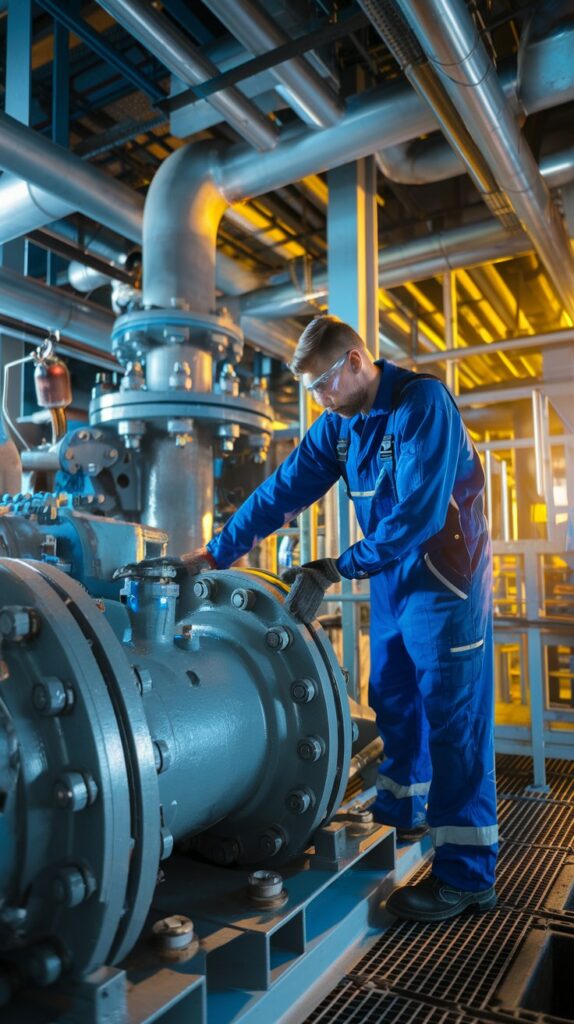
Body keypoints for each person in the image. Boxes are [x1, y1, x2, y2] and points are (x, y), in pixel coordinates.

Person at [167, 315, 498, 922]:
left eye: (323, 384)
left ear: (354, 361)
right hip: (396, 580)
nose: (319, 400)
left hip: (447, 583)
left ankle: (467, 876)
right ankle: (405, 810)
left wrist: (336, 567)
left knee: (454, 719)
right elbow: (279, 493)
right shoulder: (341, 429)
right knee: (393, 694)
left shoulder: (423, 405)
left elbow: (420, 517)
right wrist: (215, 553)